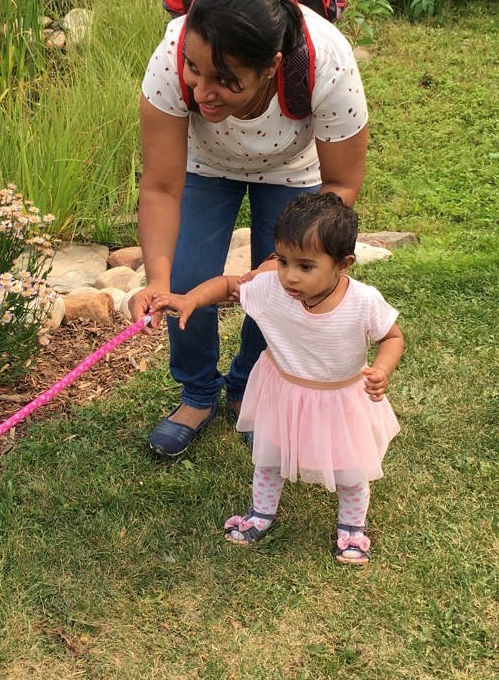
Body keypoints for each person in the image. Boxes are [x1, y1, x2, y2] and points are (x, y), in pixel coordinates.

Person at [130, 0, 368, 457]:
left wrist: (282, 262)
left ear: (273, 67)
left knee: (281, 286)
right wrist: (157, 279)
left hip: (294, 171)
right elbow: (159, 186)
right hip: (204, 164)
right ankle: (197, 395)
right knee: (185, 276)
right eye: (195, 71)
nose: (202, 93)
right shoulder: (171, 55)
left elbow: (341, 184)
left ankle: (247, 387)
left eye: (226, 80)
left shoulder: (329, 66)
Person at [151, 192, 403, 564]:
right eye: (282, 261)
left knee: (350, 466)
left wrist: (381, 369)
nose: (288, 276)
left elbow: (392, 336)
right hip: (282, 390)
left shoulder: (364, 302)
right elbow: (226, 285)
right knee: (269, 457)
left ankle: (352, 528)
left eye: (305, 266)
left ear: (342, 264)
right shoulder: (272, 290)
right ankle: (261, 513)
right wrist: (190, 300)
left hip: (340, 397)